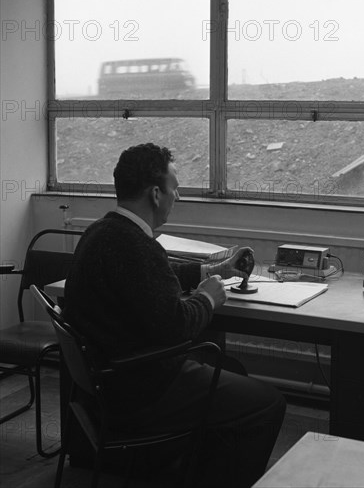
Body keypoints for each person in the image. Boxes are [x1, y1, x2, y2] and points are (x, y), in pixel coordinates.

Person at [62, 142, 286, 487]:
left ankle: (189, 473)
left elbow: (150, 280)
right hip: (141, 390)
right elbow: (177, 327)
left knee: (232, 370)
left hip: (105, 383)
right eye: (175, 187)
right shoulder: (136, 247)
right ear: (155, 194)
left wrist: (211, 271)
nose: (177, 196)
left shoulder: (102, 232)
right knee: (268, 403)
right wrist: (207, 300)